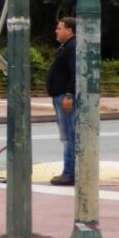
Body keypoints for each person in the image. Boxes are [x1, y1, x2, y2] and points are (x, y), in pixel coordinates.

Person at [46, 16, 77, 186]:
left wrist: (69, 95)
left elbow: (75, 72)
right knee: (68, 135)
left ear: (69, 30)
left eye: (59, 28)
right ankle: (70, 171)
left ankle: (69, 173)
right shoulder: (67, 46)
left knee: (69, 136)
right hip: (61, 96)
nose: (56, 31)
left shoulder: (72, 47)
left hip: (64, 98)